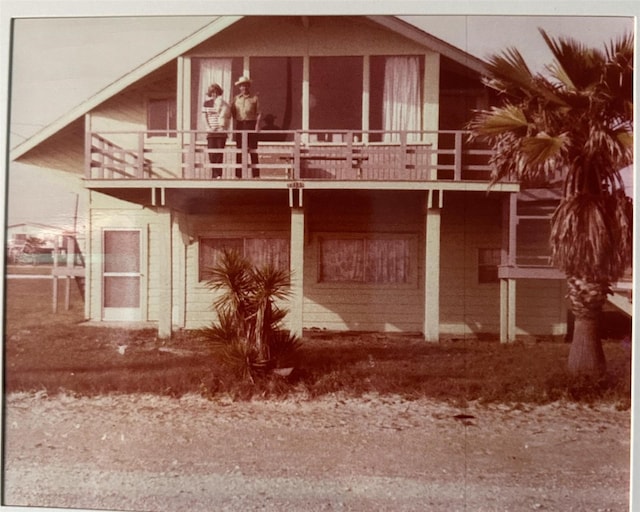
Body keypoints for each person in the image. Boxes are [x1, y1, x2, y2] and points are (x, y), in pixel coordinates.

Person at [230, 75, 261, 177]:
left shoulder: (254, 98)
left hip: (251, 124)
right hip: (240, 125)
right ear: (239, 87)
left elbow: (259, 113)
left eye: (245, 85)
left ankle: (256, 175)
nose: (244, 88)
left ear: (248, 86)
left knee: (252, 149)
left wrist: (257, 126)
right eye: (241, 86)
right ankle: (238, 175)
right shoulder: (236, 99)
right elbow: (232, 111)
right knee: (239, 149)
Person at [202, 83, 230, 178]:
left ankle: (218, 175)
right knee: (212, 153)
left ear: (219, 92)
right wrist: (209, 128)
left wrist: (221, 127)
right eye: (212, 92)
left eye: (216, 92)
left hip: (220, 131)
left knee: (219, 153)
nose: (214, 94)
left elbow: (226, 117)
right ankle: (214, 174)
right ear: (210, 93)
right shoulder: (206, 103)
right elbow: (204, 117)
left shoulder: (223, 103)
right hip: (211, 132)